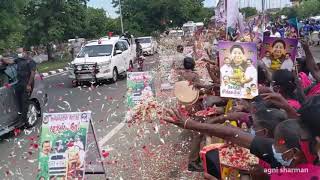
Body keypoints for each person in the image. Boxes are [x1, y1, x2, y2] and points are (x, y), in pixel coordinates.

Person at [1, 49, 37, 122]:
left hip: (27, 83)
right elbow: (10, 62)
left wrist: (29, 85)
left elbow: (32, 74)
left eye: (21, 52)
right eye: (19, 52)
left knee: (24, 101)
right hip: (19, 83)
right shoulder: (19, 60)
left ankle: (24, 119)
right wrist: (2, 58)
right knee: (18, 100)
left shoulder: (31, 61)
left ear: (26, 53)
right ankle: (20, 115)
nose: (20, 54)